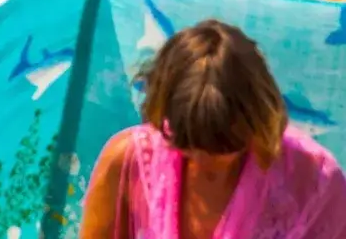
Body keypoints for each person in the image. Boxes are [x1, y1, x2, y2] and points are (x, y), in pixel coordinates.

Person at [80, 20, 346, 239]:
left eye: (224, 147)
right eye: (187, 145)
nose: (204, 162)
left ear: (259, 121)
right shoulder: (128, 160)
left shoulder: (313, 179)